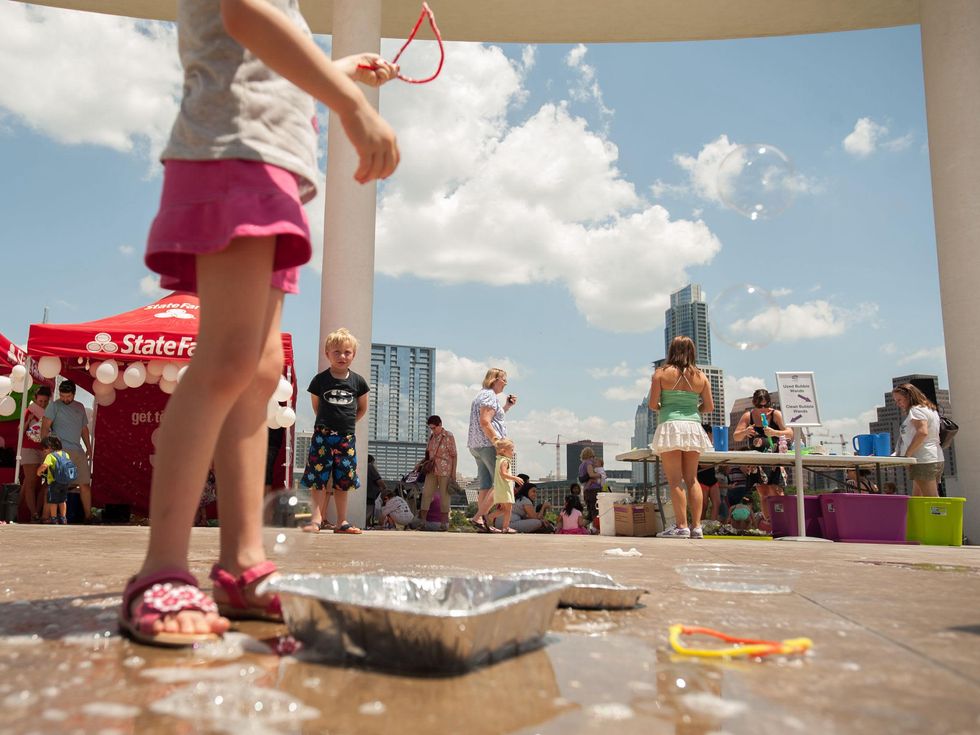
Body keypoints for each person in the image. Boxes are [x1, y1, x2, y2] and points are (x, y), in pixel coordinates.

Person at [118, 0, 399, 647]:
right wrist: (352, 106)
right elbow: (244, 15)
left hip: (269, 166)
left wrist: (342, 70)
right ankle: (160, 569)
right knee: (227, 359)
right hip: (233, 153)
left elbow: (263, 59)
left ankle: (241, 562)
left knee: (259, 369)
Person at [302, 328, 371, 534]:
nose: (342, 356)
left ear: (353, 355)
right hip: (322, 436)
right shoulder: (320, 380)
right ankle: (316, 519)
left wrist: (346, 424)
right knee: (318, 478)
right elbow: (317, 406)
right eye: (337, 352)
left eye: (347, 352)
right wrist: (328, 424)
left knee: (344, 480)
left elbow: (362, 408)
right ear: (327, 354)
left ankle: (342, 520)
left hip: (346, 438)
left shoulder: (358, 382)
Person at [649, 336, 714, 539]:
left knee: (675, 480)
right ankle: (697, 527)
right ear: (692, 351)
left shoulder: (660, 374)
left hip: (670, 426)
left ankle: (681, 526)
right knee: (692, 479)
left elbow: (652, 404)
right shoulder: (701, 376)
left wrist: (666, 407)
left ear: (671, 350)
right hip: (693, 427)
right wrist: (692, 410)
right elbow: (709, 407)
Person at [466, 368, 517, 532]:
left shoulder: (481, 395)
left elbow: (493, 418)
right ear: (494, 380)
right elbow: (485, 421)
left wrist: (507, 406)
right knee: (500, 483)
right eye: (503, 379)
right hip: (488, 445)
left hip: (477, 446)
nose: (506, 383)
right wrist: (497, 442)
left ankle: (482, 523)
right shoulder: (489, 396)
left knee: (485, 484)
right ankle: (478, 517)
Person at [732, 389, 793, 523]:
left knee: (776, 491)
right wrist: (745, 431)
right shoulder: (748, 415)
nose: (764, 409)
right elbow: (736, 436)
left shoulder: (775, 414)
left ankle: (783, 521)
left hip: (775, 460)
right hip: (757, 460)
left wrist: (774, 432)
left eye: (766, 405)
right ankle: (769, 522)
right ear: (754, 404)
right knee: (763, 494)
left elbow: (790, 432)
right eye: (760, 406)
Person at [40, 380, 93, 522]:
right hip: (59, 451)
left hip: (77, 450)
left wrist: (89, 448)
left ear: (74, 394)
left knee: (85, 484)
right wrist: (45, 447)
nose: (65, 399)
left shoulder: (80, 407)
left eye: (68, 396)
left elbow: (84, 429)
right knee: (54, 485)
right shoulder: (54, 406)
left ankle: (89, 516)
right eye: (62, 396)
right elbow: (45, 427)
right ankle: (45, 517)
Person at [892, 382, 943, 497]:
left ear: (909, 397)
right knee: (917, 497)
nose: (898, 404)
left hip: (923, 459)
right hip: (934, 456)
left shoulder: (916, 410)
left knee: (931, 499)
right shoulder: (930, 409)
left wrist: (907, 456)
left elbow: (922, 432)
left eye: (899, 400)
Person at [420, 415, 457, 531]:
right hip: (432, 470)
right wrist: (420, 464)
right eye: (430, 428)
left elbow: (454, 455)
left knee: (444, 497)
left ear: (440, 425)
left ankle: (444, 524)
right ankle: (422, 522)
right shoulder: (431, 437)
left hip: (445, 470)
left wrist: (453, 474)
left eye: (434, 427)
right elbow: (428, 454)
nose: (433, 430)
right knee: (426, 494)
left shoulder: (448, 436)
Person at [19, 386, 51, 522]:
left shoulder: (50, 412)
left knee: (47, 482)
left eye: (45, 401)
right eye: (40, 401)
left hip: (44, 450)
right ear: (35, 399)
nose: (42, 404)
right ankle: (34, 514)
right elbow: (20, 430)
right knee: (31, 481)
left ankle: (36, 511)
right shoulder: (30, 410)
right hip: (29, 449)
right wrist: (28, 420)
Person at [485, 438, 522, 534]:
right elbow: (503, 474)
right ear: (504, 451)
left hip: (500, 488)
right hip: (504, 489)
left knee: (503, 509)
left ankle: (489, 517)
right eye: (512, 450)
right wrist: (515, 478)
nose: (513, 452)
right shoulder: (505, 461)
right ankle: (505, 527)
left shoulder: (499, 460)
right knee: (508, 509)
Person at [37, 436, 73, 525]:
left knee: (53, 501)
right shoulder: (65, 454)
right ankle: (63, 518)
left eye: (44, 448)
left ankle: (54, 518)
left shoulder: (50, 456)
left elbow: (45, 466)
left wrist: (38, 472)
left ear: (50, 447)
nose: (43, 450)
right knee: (62, 500)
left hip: (54, 482)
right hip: (64, 481)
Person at [577, 447, 602, 526]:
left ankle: (579, 527)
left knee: (590, 515)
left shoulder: (581, 465)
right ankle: (596, 529)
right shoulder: (588, 463)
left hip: (586, 491)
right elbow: (591, 474)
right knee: (596, 512)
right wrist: (600, 475)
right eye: (593, 456)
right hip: (593, 490)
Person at [364, 454, 387, 527]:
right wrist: (385, 488)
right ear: (371, 461)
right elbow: (378, 480)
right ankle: (366, 525)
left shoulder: (363, 467)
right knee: (369, 512)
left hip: (365, 494)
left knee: (366, 512)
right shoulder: (370, 467)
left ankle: (367, 525)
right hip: (371, 494)